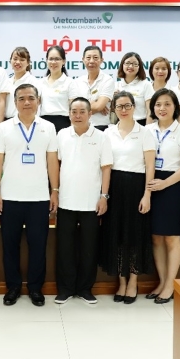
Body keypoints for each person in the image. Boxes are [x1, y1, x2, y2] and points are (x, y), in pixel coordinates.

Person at [0, 84, 59, 307]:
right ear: (15, 102)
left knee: (38, 246)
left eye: (31, 98)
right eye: (21, 98)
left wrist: (55, 190)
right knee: (10, 246)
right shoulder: (3, 128)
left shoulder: (48, 127)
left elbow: (52, 161)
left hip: (39, 198)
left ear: (38, 101)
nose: (26, 102)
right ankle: (13, 287)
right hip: (9, 197)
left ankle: (36, 289)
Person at [52, 97, 112, 304]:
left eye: (82, 112)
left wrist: (104, 196)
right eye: (74, 112)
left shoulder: (101, 137)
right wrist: (55, 191)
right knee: (65, 248)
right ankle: (65, 289)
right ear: (69, 114)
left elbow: (106, 168)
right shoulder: (61, 135)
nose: (77, 116)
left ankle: (85, 289)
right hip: (66, 201)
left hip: (91, 202)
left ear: (90, 114)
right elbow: (56, 165)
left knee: (89, 248)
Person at [99, 91, 154, 304]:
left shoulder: (144, 132)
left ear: (134, 107)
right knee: (117, 237)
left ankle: (133, 282)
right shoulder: (108, 132)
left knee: (134, 237)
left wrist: (147, 194)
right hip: (114, 187)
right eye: (119, 106)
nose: (124, 110)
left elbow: (150, 166)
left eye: (127, 105)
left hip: (136, 187)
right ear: (114, 109)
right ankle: (121, 282)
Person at [145, 89, 180, 303]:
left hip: (172, 185)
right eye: (158, 104)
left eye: (167, 104)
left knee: (172, 237)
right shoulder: (147, 130)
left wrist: (165, 184)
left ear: (175, 107)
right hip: (150, 182)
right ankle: (162, 282)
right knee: (156, 237)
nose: (162, 108)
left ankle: (170, 285)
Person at [71, 46, 115, 131]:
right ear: (83, 59)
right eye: (88, 58)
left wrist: (97, 105)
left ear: (101, 60)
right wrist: (95, 102)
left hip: (101, 126)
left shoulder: (108, 80)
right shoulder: (77, 82)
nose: (91, 61)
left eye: (95, 58)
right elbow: (74, 107)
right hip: (81, 127)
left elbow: (99, 106)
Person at [38, 45, 74, 132]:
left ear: (64, 61)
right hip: (43, 125)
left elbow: (73, 109)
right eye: (50, 59)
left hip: (63, 125)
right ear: (46, 61)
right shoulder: (40, 83)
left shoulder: (70, 82)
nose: (53, 62)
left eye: (57, 59)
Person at [116, 52, 153, 126]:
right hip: (121, 124)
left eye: (135, 64)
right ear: (122, 65)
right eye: (127, 63)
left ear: (139, 67)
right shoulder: (117, 85)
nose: (130, 66)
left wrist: (148, 129)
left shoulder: (146, 84)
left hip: (141, 124)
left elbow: (150, 111)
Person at [4, 47, 38, 120]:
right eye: (15, 59)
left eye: (22, 60)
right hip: (7, 121)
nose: (18, 62)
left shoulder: (33, 81)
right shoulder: (6, 81)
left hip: (24, 120)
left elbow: (36, 106)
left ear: (28, 63)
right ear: (10, 61)